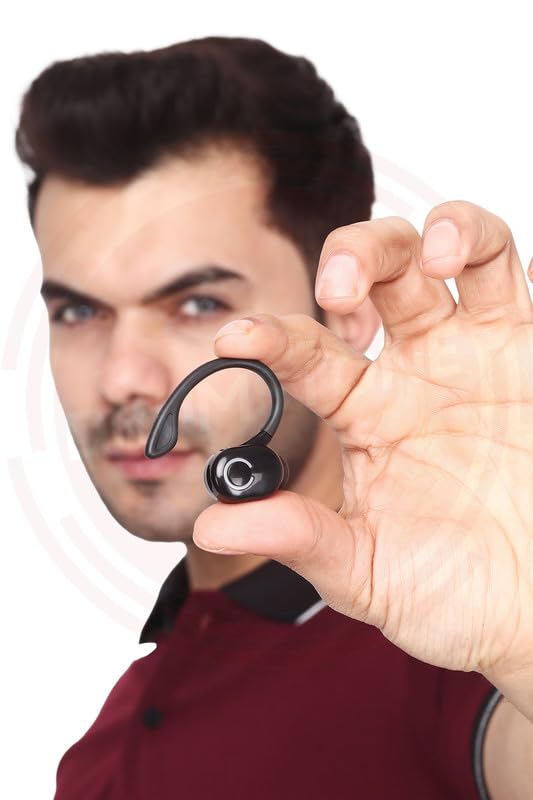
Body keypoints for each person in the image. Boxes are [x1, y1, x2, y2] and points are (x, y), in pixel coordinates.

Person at [14, 36, 521, 799]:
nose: (121, 379)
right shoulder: (103, 743)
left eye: (196, 302)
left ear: (342, 313)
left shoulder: (460, 652)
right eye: (80, 311)